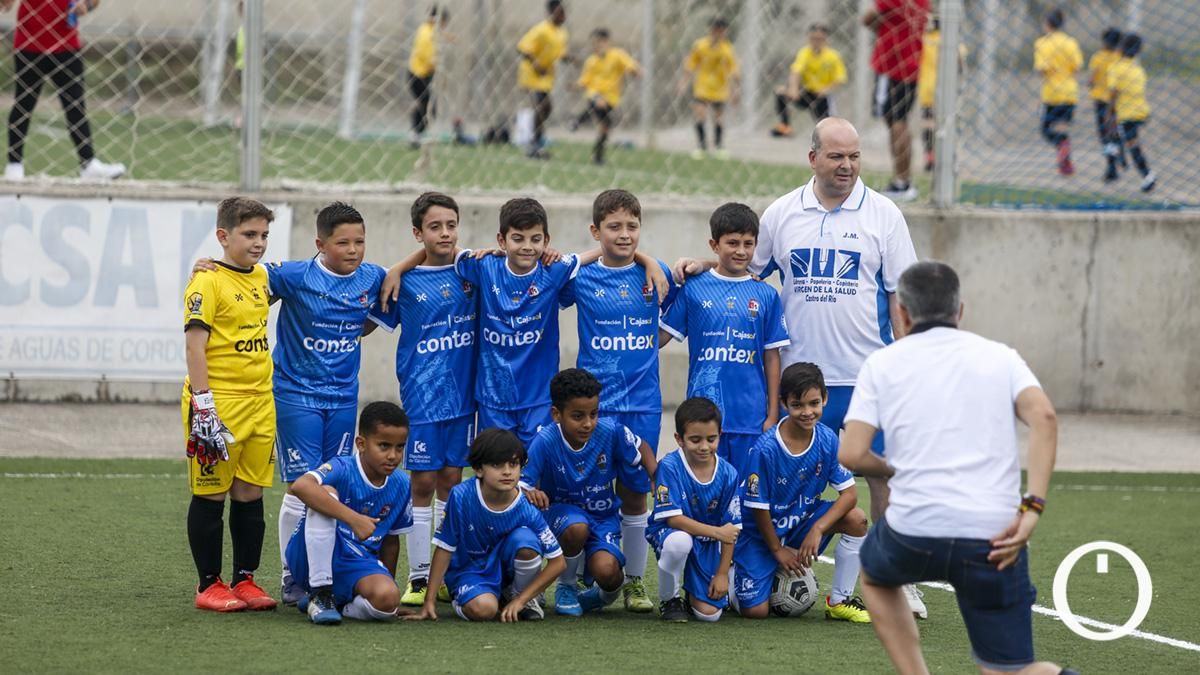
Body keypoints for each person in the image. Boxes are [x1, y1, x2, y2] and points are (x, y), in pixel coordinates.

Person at [671, 117, 924, 618]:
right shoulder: (783, 213)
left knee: (880, 476)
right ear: (813, 158)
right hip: (798, 384)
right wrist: (700, 266)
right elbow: (744, 268)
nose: (847, 166)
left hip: (864, 377)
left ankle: (896, 580)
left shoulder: (885, 214)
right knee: (780, 482)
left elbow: (900, 294)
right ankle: (760, 568)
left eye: (854, 156)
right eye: (836, 156)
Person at [840, 261, 1073, 675]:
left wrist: (891, 468)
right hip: (994, 535)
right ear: (960, 310)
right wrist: (1032, 506)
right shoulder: (1002, 357)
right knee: (1008, 672)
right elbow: (1045, 418)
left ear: (902, 314)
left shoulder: (882, 363)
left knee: (874, 573)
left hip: (913, 533)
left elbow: (852, 454)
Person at [192, 202, 388, 605]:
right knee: (301, 485)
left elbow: (376, 307)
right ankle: (288, 576)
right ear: (320, 244)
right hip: (292, 394)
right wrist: (206, 265)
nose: (353, 249)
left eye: (359, 242)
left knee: (322, 485)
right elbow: (237, 280)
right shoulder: (289, 275)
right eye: (343, 242)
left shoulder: (373, 277)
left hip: (338, 397)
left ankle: (302, 575)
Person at [559, 189, 676, 613]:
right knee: (582, 490)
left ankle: (634, 582)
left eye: (632, 226)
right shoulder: (581, 277)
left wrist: (652, 262)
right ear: (596, 231)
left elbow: (678, 306)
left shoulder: (656, 273)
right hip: (595, 407)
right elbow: (552, 274)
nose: (624, 234)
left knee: (634, 492)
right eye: (614, 227)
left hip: (642, 404)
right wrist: (602, 255)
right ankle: (572, 580)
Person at [369, 192, 477, 607]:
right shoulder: (403, 282)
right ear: (418, 233)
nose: (445, 233)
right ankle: (417, 576)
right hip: (423, 399)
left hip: (464, 399)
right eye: (435, 227)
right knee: (423, 482)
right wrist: (398, 268)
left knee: (452, 480)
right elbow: (367, 324)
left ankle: (443, 575)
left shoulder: (472, 271)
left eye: (451, 225)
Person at [181, 197, 277, 612]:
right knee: (211, 494)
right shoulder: (207, 281)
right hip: (218, 404)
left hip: (261, 401)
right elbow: (194, 346)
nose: (259, 243)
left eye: (264, 235)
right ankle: (208, 585)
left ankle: (244, 579)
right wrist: (204, 405)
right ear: (223, 235)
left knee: (250, 493)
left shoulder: (262, 276)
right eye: (249, 234)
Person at [732, 362, 870, 623]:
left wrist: (818, 529)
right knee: (756, 612)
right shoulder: (766, 449)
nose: (807, 412)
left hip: (799, 525)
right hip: (760, 534)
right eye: (797, 405)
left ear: (825, 399)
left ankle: (840, 601)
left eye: (814, 403)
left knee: (857, 519)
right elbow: (758, 509)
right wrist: (777, 550)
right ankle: (733, 573)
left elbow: (850, 495)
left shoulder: (827, 439)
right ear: (784, 403)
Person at [659, 202, 789, 477]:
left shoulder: (766, 295)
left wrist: (772, 414)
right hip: (703, 420)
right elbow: (659, 339)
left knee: (747, 492)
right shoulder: (694, 288)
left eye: (748, 244)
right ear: (714, 245)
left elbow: (771, 357)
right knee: (704, 489)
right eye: (732, 243)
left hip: (750, 418)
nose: (741, 251)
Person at [520, 369, 658, 616]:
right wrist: (530, 493)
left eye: (593, 414)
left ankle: (599, 597)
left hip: (602, 518)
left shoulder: (610, 431)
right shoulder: (545, 440)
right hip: (561, 517)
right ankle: (567, 586)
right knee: (576, 527)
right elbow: (522, 484)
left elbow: (641, 447)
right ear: (556, 414)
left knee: (608, 572)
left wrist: (655, 474)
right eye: (578, 416)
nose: (587, 423)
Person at [407, 428, 566, 622]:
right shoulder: (461, 496)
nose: (507, 471)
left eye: (513, 464)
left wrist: (521, 600)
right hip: (470, 571)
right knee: (484, 610)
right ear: (478, 469)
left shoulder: (526, 507)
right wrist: (429, 602)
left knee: (526, 540)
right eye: (497, 465)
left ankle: (517, 596)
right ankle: (469, 598)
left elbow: (558, 562)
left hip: (507, 573)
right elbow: (444, 548)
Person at [285, 402, 413, 624]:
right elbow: (300, 486)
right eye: (384, 446)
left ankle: (337, 603)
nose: (393, 455)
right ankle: (320, 593)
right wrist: (354, 519)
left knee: (387, 600)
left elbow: (391, 542)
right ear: (361, 444)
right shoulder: (342, 467)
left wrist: (388, 588)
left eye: (399, 447)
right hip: (310, 556)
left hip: (357, 562)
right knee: (325, 492)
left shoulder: (402, 483)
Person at [1, 0, 125, 180]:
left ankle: (88, 164)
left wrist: (86, 5)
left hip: (66, 44)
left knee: (75, 106)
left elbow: (93, 1)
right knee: (24, 104)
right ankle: (14, 165)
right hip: (29, 43)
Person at [647, 397, 741, 622]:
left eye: (711, 439)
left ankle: (702, 587)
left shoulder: (729, 473)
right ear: (679, 439)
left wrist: (721, 573)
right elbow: (673, 520)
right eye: (695, 440)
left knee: (709, 615)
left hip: (707, 542)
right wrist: (717, 532)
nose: (704, 447)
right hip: (671, 533)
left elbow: (732, 529)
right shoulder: (669, 466)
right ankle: (670, 599)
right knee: (679, 543)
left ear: (720, 435)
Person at [862, 0, 928, 200]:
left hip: (891, 65)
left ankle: (901, 182)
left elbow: (867, 18)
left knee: (895, 122)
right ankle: (903, 181)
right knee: (900, 121)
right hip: (912, 65)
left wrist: (883, 29)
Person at [572, 28, 641, 165]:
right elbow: (585, 80)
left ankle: (598, 157)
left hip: (611, 98)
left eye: (599, 42)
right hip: (594, 94)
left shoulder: (617, 55)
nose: (596, 46)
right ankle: (578, 120)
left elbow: (631, 66)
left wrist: (636, 71)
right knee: (598, 103)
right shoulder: (591, 61)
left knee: (605, 128)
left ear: (607, 42)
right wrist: (576, 85)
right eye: (593, 43)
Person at [772, 23, 847, 137]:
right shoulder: (805, 52)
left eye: (820, 39)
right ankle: (785, 125)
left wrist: (826, 89)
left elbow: (840, 78)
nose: (816, 42)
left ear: (826, 40)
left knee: (826, 128)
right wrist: (793, 88)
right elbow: (796, 71)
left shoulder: (833, 56)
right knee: (781, 92)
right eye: (813, 39)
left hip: (822, 95)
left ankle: (829, 133)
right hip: (806, 93)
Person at [1033, 8, 1083, 176]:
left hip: (1051, 93)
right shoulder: (1071, 42)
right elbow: (1077, 67)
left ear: (1047, 24)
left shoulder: (1042, 43)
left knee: (1046, 130)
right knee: (1062, 129)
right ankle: (1066, 165)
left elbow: (1041, 69)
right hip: (1069, 92)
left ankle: (1063, 152)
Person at [517, 0, 570, 159]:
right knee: (543, 105)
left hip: (547, 76)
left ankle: (536, 143)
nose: (563, 17)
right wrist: (536, 64)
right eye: (559, 13)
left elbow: (561, 53)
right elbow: (522, 48)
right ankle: (533, 144)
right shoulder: (540, 29)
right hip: (531, 74)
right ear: (550, 13)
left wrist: (570, 58)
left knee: (545, 108)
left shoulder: (562, 33)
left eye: (564, 13)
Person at [681, 18, 739, 160]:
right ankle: (701, 147)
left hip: (720, 88)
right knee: (700, 114)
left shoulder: (727, 49)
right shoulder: (700, 45)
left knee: (718, 118)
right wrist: (684, 82)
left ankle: (719, 147)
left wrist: (735, 89)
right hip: (702, 87)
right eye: (717, 30)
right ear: (712, 30)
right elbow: (691, 64)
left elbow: (733, 71)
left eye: (722, 31)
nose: (719, 34)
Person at [915, 18, 967, 172]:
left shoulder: (924, 39)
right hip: (947, 88)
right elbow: (961, 62)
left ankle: (930, 156)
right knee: (948, 122)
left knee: (928, 123)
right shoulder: (951, 41)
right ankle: (949, 156)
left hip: (927, 88)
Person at [1107, 33, 1155, 192]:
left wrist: (1109, 112)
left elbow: (1113, 93)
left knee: (1131, 144)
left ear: (1121, 48)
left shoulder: (1116, 68)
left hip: (1127, 114)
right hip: (1142, 111)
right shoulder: (1138, 69)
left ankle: (1147, 175)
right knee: (1115, 138)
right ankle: (1116, 165)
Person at [407, 6, 450, 148]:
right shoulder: (426, 34)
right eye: (443, 22)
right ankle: (415, 134)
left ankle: (416, 134)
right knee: (428, 106)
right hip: (417, 75)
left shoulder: (430, 30)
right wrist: (439, 69)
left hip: (423, 75)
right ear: (437, 20)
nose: (444, 26)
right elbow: (427, 56)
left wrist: (449, 38)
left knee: (426, 105)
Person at [1087, 27, 1126, 181]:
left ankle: (1111, 168)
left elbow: (1091, 80)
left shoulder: (1098, 57)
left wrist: (1091, 84)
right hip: (1118, 101)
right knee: (1115, 132)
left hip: (1101, 102)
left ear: (1104, 42)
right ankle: (1120, 151)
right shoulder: (1121, 57)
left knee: (1105, 135)